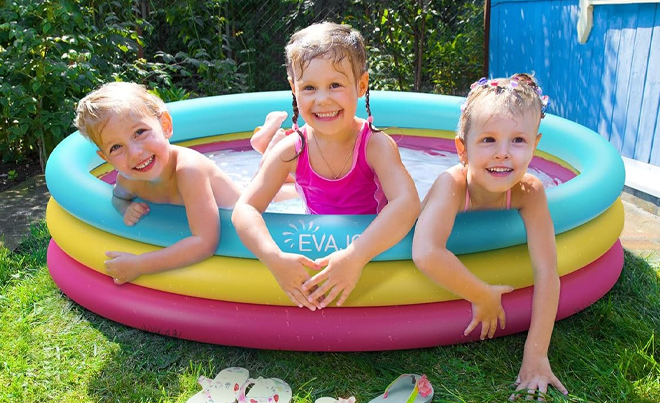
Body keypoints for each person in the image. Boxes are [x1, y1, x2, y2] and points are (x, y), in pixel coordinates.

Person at [232, 22, 420, 311]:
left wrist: (356, 256)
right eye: (309, 87)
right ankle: (266, 144)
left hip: (370, 242)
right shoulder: (291, 150)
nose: (322, 100)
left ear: (361, 85)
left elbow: (407, 205)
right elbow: (244, 209)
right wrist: (274, 258)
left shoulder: (375, 146)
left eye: (335, 85)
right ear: (294, 89)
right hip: (317, 234)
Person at [412, 74, 568, 400]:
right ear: (461, 148)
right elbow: (426, 252)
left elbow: (546, 271)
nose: (503, 153)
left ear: (535, 145)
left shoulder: (530, 192)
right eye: (488, 140)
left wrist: (536, 354)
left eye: (518, 141)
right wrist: (482, 294)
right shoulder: (450, 185)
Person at [74, 82, 241, 284]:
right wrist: (124, 207)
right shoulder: (128, 179)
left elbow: (205, 243)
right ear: (106, 158)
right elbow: (118, 196)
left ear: (165, 126)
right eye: (116, 147)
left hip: (254, 207)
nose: (135, 153)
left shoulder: (189, 170)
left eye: (139, 132)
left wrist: (139, 264)